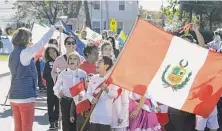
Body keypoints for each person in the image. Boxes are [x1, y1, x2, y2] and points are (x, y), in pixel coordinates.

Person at [8, 26, 56, 131]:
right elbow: (41, 43)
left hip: (14, 96)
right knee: (26, 128)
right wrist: (52, 30)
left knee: (18, 127)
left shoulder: (12, 54)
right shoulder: (25, 53)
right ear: (26, 40)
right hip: (25, 96)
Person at [165, 23, 205, 131]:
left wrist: (196, 31)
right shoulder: (174, 57)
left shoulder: (195, 58)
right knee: (174, 125)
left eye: (189, 44)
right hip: (174, 100)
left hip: (189, 100)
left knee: (187, 126)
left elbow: (202, 46)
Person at [53, 52, 87, 131]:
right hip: (66, 101)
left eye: (75, 59)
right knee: (66, 123)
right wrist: (58, 92)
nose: (72, 60)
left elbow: (87, 87)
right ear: (68, 62)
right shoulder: (63, 73)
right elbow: (56, 87)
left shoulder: (83, 74)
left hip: (78, 102)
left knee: (77, 124)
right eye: (70, 59)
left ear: (78, 62)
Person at [86, 56, 119, 131]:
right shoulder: (93, 78)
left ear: (106, 66)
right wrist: (92, 99)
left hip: (105, 117)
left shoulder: (111, 80)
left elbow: (115, 95)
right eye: (98, 61)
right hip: (94, 116)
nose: (97, 63)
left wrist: (107, 90)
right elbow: (88, 93)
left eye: (100, 62)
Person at [43, 45, 60, 129]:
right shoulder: (47, 63)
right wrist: (53, 75)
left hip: (59, 88)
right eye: (50, 53)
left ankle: (56, 120)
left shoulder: (61, 61)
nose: (52, 54)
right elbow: (45, 76)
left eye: (53, 51)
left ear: (56, 51)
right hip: (50, 88)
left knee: (58, 105)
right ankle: (51, 121)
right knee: (50, 105)